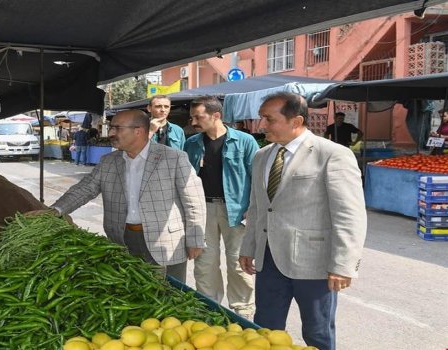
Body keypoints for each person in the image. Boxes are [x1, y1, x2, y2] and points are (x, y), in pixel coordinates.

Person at [239, 92, 367, 350]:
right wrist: (249, 247)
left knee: (317, 332)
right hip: (269, 258)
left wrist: (343, 264)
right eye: (261, 118)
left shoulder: (332, 154)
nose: (262, 125)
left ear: (296, 121)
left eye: (269, 119)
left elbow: (349, 213)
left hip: (314, 262)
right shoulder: (262, 156)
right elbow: (258, 207)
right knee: (264, 330)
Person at [50, 109, 206, 282]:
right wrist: (56, 210)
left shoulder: (173, 158)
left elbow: (194, 201)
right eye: (111, 127)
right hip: (122, 239)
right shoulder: (108, 161)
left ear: (138, 131)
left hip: (166, 241)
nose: (111, 133)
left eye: (117, 128)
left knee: (171, 296)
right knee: (132, 291)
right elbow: (85, 189)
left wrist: (195, 239)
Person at [183, 96, 258, 319]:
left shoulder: (244, 141)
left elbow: (257, 178)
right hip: (203, 209)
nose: (194, 121)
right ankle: (209, 308)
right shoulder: (192, 143)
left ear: (216, 116)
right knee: (204, 262)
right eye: (192, 116)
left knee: (238, 262)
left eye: (199, 116)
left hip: (236, 210)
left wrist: (252, 208)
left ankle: (242, 311)